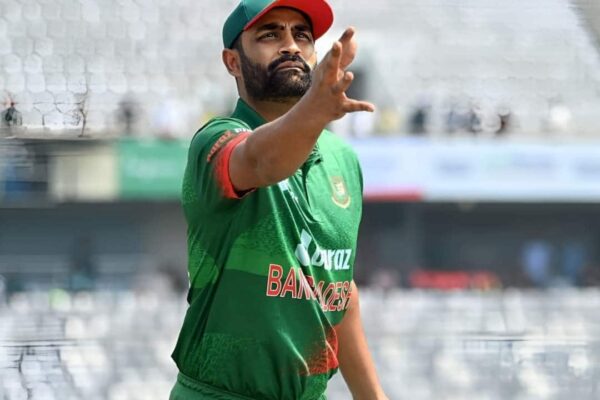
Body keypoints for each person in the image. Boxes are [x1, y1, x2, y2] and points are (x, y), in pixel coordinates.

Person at [170, 1, 388, 399]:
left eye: (302, 35)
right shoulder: (215, 140)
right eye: (270, 35)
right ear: (233, 62)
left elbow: (337, 289)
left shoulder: (343, 159)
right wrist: (314, 110)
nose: (290, 46)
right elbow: (262, 161)